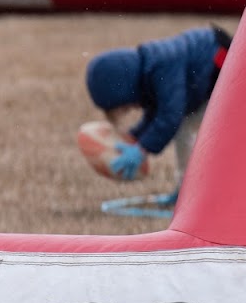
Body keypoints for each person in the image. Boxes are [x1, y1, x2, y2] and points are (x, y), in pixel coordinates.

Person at [85, 23, 233, 200]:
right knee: (186, 128)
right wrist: (134, 139)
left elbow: (170, 115)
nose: (132, 108)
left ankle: (198, 193)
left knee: (190, 128)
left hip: (226, 69)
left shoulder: (164, 65)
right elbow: (155, 115)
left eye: (125, 106)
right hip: (211, 79)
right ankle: (188, 192)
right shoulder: (149, 71)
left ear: (126, 88)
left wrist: (141, 150)